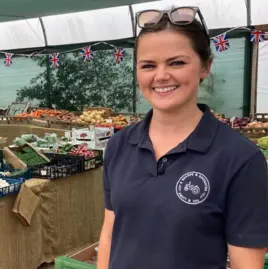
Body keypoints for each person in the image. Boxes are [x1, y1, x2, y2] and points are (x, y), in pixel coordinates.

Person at [98, 6, 268, 269]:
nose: (161, 75)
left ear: (205, 66)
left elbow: (246, 264)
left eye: (177, 62)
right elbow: (110, 232)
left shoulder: (241, 159)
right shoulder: (118, 145)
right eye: (148, 65)